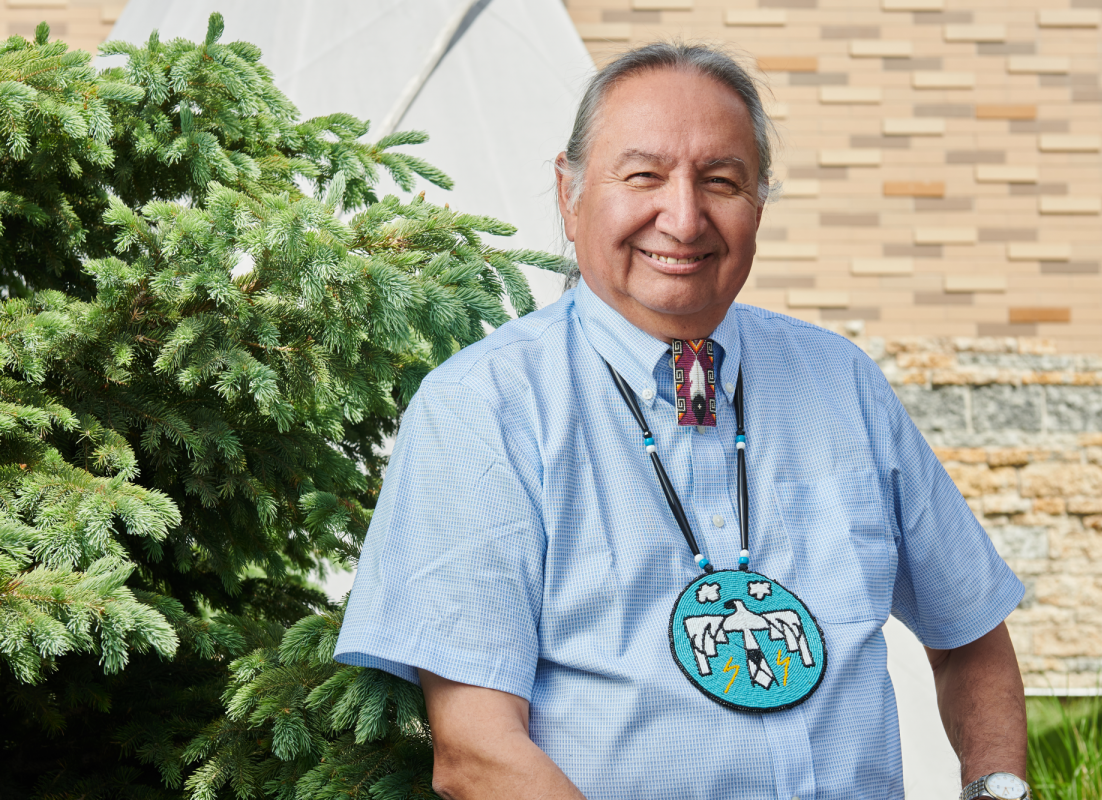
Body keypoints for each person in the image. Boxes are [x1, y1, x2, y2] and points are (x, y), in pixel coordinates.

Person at [336, 42, 1029, 800]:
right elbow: (475, 750)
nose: (684, 216)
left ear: (758, 204)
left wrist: (998, 788)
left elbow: (970, 638)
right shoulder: (483, 408)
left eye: (721, 181)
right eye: (643, 176)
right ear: (568, 195)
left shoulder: (842, 384)